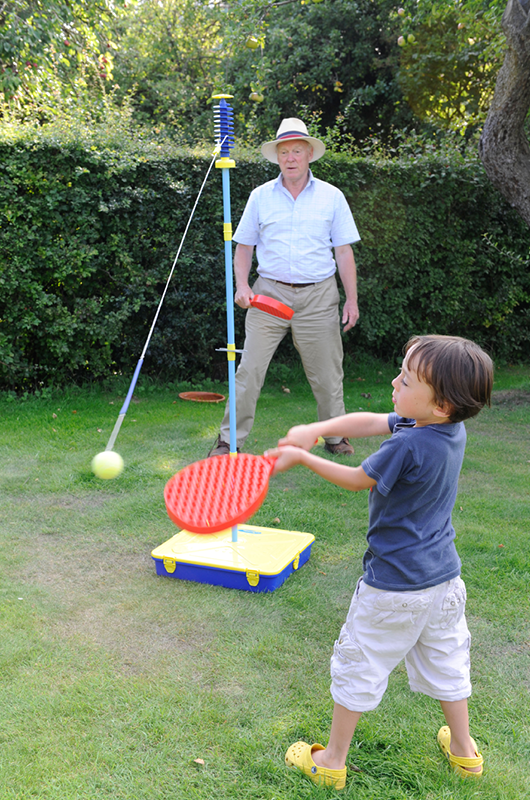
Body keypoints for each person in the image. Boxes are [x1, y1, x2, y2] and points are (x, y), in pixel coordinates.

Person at [266, 334, 493, 790]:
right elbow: (373, 420)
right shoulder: (446, 429)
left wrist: (303, 457)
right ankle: (465, 752)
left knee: (360, 662)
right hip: (443, 581)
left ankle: (330, 761)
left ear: (441, 404)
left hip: (393, 586)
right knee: (448, 659)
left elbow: (356, 479)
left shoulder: (408, 447)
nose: (394, 381)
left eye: (406, 380)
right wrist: (318, 428)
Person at [208, 118, 361, 457]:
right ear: (277, 157)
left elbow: (344, 250)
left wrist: (351, 299)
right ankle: (229, 440)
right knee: (248, 371)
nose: (290, 158)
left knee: (327, 375)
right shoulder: (260, 197)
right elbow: (244, 247)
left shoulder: (332, 197)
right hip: (268, 296)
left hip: (320, 296)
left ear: (309, 154)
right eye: (284, 152)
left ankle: (335, 436)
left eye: (296, 151)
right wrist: (243, 286)